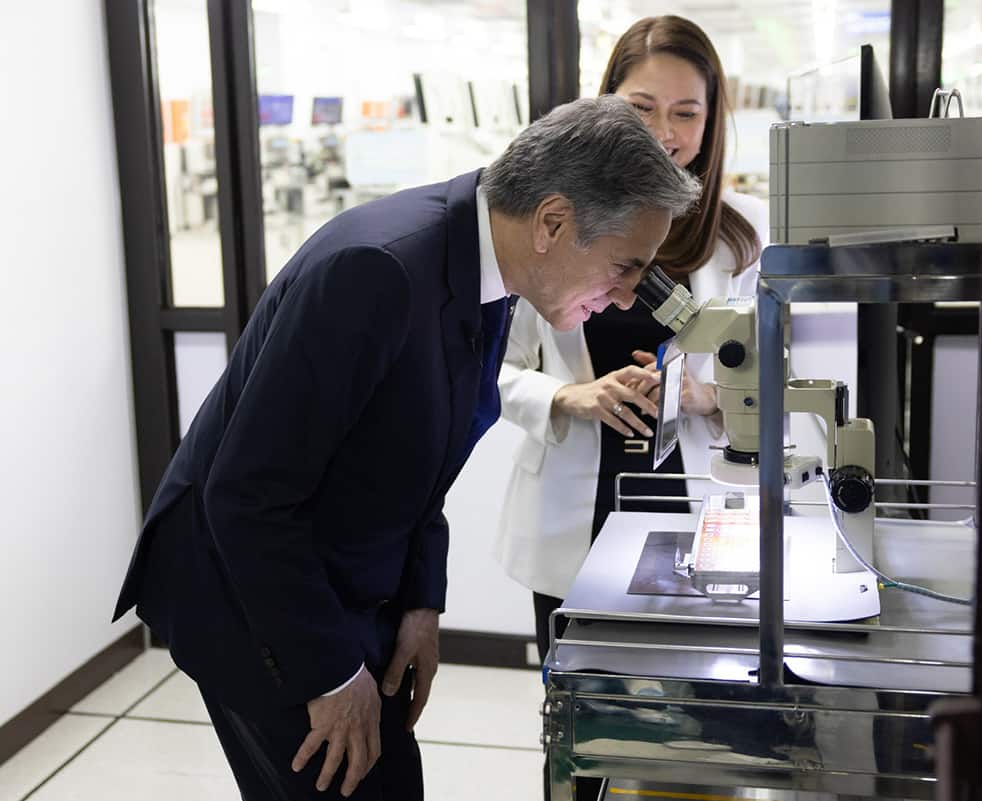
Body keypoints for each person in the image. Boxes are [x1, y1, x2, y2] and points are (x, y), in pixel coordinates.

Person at [111, 95, 700, 801]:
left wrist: (420, 602)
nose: (630, 296)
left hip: (341, 572)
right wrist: (330, 674)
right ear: (553, 222)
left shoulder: (489, 266)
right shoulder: (377, 271)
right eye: (626, 267)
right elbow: (245, 496)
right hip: (247, 592)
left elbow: (426, 455)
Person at [496, 15, 770, 660]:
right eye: (641, 107)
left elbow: (771, 381)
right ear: (605, 105)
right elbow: (494, 368)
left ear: (710, 125)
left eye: (686, 113)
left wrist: (700, 396)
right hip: (577, 498)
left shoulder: (745, 235)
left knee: (687, 698)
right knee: (576, 712)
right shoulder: (549, 219)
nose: (663, 133)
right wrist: (575, 398)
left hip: (694, 490)